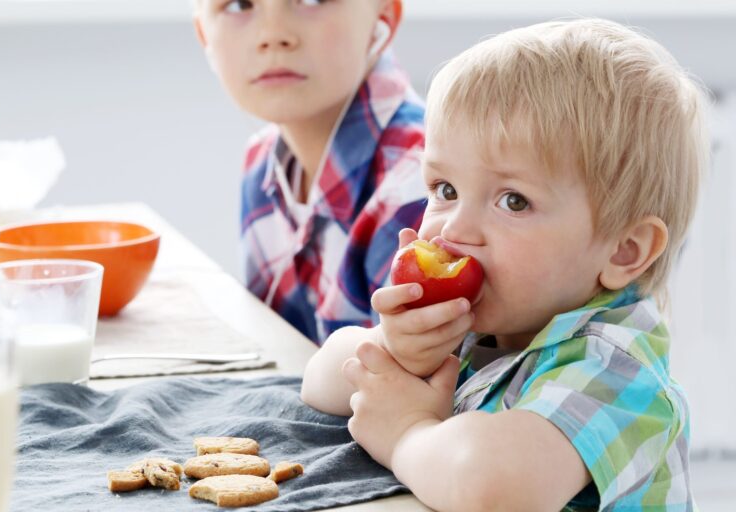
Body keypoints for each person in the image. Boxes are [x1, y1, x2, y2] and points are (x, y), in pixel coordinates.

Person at [301, 18, 709, 510]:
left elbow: (490, 487)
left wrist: (406, 431)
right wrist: (397, 351)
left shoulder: (616, 373)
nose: (454, 230)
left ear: (624, 250)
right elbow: (319, 380)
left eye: (513, 201)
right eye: (445, 190)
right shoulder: (493, 315)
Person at [193, 0, 426, 344]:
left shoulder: (421, 183)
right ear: (204, 34)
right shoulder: (262, 164)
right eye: (239, 4)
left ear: (383, 17)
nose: (273, 35)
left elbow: (403, 373)